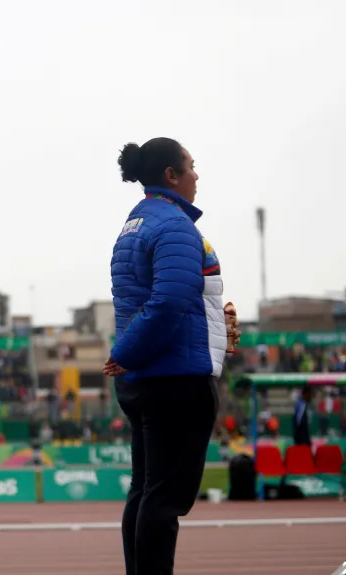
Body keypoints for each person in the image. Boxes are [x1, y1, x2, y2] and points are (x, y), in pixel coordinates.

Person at [104, 137, 239, 575]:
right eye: (192, 166)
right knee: (164, 499)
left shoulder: (134, 224)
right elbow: (168, 303)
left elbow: (159, 299)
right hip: (173, 379)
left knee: (145, 491)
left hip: (147, 377)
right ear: (171, 176)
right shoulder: (176, 226)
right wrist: (124, 353)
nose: (197, 175)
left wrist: (219, 325)